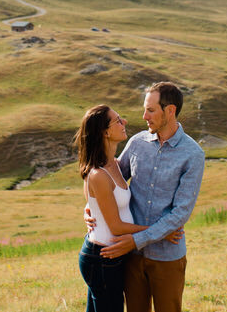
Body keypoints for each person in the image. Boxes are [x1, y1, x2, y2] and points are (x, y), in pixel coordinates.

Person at [99, 82, 206, 312]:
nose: (144, 115)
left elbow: (180, 213)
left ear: (170, 111)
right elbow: (110, 182)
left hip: (167, 258)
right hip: (132, 257)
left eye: (151, 110)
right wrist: (91, 211)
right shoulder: (137, 143)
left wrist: (136, 240)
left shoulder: (193, 155)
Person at [74, 104, 151, 311]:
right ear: (105, 132)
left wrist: (87, 210)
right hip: (101, 258)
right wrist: (159, 230)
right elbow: (116, 227)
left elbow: (96, 205)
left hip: (111, 255)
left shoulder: (115, 164)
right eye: (118, 120)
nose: (124, 122)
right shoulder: (98, 174)